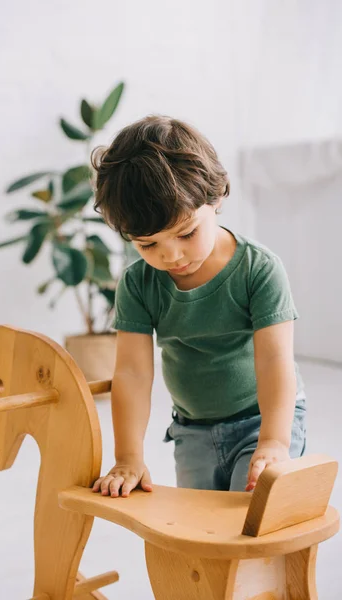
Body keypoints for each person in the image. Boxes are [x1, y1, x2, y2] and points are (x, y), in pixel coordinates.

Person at [90, 115, 306, 497]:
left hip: (263, 422)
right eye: (147, 244)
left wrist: (274, 442)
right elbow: (133, 374)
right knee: (201, 533)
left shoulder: (259, 269)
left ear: (218, 195)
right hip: (192, 431)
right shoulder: (138, 284)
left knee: (249, 518)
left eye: (186, 233)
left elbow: (275, 362)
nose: (171, 255)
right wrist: (128, 457)